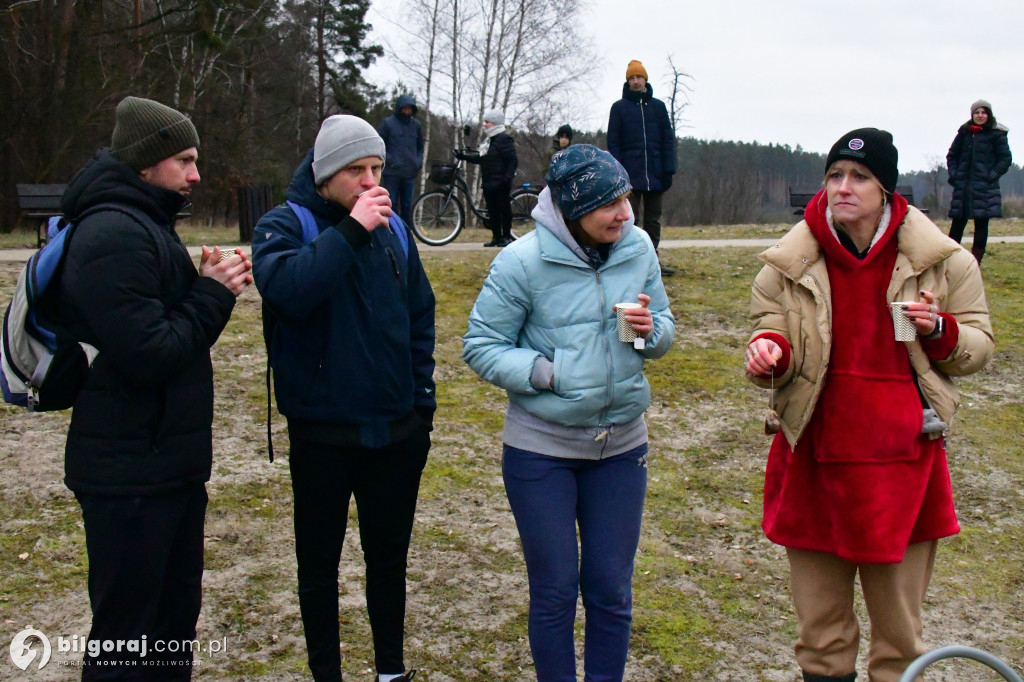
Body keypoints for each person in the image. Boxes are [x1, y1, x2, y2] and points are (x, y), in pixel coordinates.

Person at [744, 128, 993, 682]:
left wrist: (941, 331)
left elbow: (978, 348)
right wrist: (770, 354)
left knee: (900, 637)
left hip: (902, 467)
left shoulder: (944, 263)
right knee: (821, 634)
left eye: (860, 177)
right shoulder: (786, 263)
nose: (844, 187)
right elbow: (770, 332)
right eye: (835, 175)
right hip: (814, 460)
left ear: (886, 190)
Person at [49, 95, 251, 678]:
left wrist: (201, 287)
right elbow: (150, 354)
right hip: (130, 475)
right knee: (126, 641)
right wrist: (213, 291)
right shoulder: (113, 233)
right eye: (183, 161)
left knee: (168, 628)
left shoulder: (142, 224)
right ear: (145, 164)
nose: (194, 174)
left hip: (162, 465)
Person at [463, 144, 675, 682]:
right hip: (542, 452)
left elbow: (664, 328)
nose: (625, 214)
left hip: (622, 448)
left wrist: (650, 333)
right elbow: (481, 345)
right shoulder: (520, 262)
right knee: (555, 590)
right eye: (610, 203)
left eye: (626, 199)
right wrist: (546, 373)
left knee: (611, 588)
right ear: (573, 207)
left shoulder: (638, 248)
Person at [251, 114, 435, 682]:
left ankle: (390, 671)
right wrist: (352, 230)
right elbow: (290, 289)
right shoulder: (285, 225)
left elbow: (419, 315)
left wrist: (421, 402)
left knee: (387, 561)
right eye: (356, 169)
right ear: (325, 172)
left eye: (377, 168)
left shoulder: (395, 230)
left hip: (396, 434)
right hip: (323, 436)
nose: (369, 180)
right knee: (319, 568)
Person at [607, 59, 676, 277]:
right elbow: (614, 142)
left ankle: (652, 260)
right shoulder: (619, 108)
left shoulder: (658, 107)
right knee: (629, 219)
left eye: (639, 77)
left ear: (645, 79)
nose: (636, 81)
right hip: (629, 175)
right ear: (627, 81)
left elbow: (667, 140)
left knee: (653, 220)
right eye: (632, 78)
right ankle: (629, 259)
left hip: (655, 173)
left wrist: (669, 170)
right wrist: (618, 173)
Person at [946, 98, 1012, 264]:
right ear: (972, 114)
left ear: (989, 115)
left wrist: (991, 176)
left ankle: (975, 263)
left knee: (981, 225)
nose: (980, 115)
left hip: (984, 187)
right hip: (963, 186)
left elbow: (1005, 159)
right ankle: (950, 260)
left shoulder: (997, 134)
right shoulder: (964, 133)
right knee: (957, 225)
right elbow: (952, 155)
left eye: (984, 112)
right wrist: (955, 176)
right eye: (977, 112)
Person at [456, 109, 518, 247]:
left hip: (501, 181)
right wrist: (463, 156)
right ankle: (496, 237)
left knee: (504, 209)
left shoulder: (504, 139)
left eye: (487, 122)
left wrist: (507, 178)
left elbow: (512, 161)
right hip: (489, 181)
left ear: (495, 123)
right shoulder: (488, 141)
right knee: (492, 210)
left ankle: (506, 237)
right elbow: (480, 158)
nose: (485, 125)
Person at [378, 94, 425, 228]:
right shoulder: (388, 123)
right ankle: (392, 229)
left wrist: (418, 162)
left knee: (407, 204)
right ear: (400, 108)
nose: (407, 111)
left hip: (410, 171)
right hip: (392, 171)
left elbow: (420, 146)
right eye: (405, 108)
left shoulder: (416, 125)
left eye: (410, 108)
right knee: (391, 202)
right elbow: (379, 144)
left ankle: (406, 230)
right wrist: (390, 160)